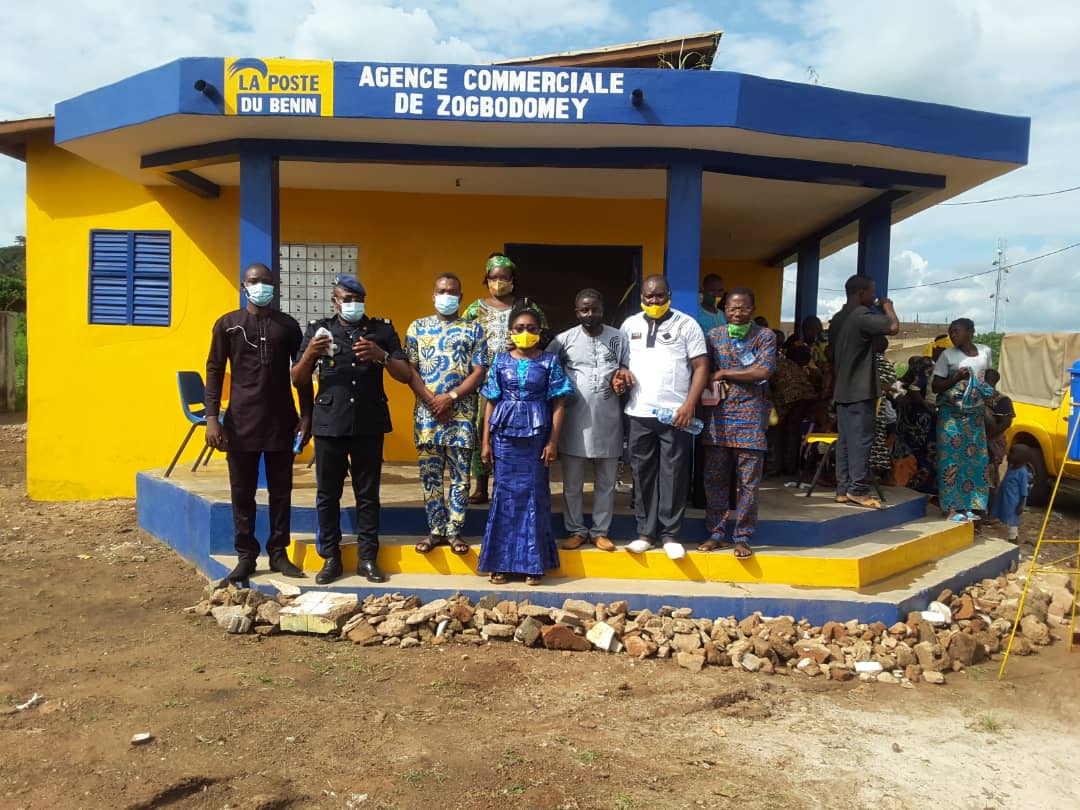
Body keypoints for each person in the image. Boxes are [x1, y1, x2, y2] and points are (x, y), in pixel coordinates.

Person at [291, 273, 412, 584]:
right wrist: (310, 354)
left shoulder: (381, 330)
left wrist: (381, 356)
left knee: (367, 494)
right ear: (335, 301)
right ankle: (330, 557)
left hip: (369, 422)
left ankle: (367, 558)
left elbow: (404, 374)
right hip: (330, 423)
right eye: (348, 300)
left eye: (358, 300)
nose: (353, 305)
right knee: (327, 494)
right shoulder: (320, 330)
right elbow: (297, 378)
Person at [205, 262, 309, 585]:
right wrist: (212, 419)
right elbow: (213, 369)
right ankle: (245, 556)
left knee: (281, 491)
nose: (261, 286)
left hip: (282, 422)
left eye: (266, 281)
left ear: (274, 286)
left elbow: (302, 375)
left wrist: (307, 416)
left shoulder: (288, 326)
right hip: (240, 423)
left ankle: (278, 553)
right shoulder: (228, 325)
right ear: (243, 285)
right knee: (242, 492)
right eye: (255, 281)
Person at [478, 304, 572, 585]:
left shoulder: (550, 362)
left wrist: (553, 441)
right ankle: (501, 563)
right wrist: (485, 442)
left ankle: (533, 564)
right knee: (504, 498)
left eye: (531, 328)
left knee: (534, 497)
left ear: (539, 331)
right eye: (519, 328)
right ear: (511, 331)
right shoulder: (500, 361)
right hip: (504, 439)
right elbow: (490, 401)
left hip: (536, 440)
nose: (525, 333)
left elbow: (559, 403)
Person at [621, 274, 709, 559]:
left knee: (673, 474)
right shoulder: (630, 325)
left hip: (676, 415)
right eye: (649, 297)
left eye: (659, 296)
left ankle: (670, 534)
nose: (654, 301)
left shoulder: (687, 325)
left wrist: (688, 406)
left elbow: (701, 367)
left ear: (669, 295)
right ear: (642, 298)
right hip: (638, 412)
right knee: (642, 474)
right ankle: (645, 533)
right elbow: (622, 364)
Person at [404, 273, 489, 556]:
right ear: (433, 294)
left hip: (461, 415)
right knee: (431, 476)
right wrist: (432, 401)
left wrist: (450, 398)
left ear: (461, 297)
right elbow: (410, 370)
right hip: (428, 417)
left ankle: (454, 531)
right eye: (441, 290)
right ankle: (435, 530)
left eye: (452, 292)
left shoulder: (474, 329)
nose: (446, 295)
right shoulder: (417, 327)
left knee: (460, 477)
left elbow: (479, 371)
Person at [548, 289, 631, 552]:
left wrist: (622, 378)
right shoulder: (563, 340)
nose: (590, 314)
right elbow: (546, 366)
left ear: (602, 309)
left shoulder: (619, 338)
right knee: (572, 483)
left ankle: (600, 532)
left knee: (606, 483)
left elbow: (628, 370)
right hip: (574, 421)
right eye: (584, 310)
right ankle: (575, 530)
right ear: (577, 312)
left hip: (609, 420)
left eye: (594, 309)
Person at [698, 288, 777, 559]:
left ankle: (742, 537)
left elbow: (762, 371)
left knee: (748, 483)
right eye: (732, 308)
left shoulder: (765, 336)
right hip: (717, 420)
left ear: (752, 309)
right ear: (724, 309)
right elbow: (701, 369)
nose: (737, 313)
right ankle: (716, 534)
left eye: (743, 308)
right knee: (715, 481)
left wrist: (723, 372)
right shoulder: (714, 336)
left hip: (751, 419)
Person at [463, 253, 547, 504]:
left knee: (512, 433)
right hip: (482, 380)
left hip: (518, 381)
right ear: (486, 279)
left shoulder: (527, 307)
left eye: (504, 277)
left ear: (512, 280)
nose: (499, 282)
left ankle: (508, 482)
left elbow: (545, 335)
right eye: (493, 277)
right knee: (482, 430)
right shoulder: (474, 309)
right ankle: (481, 485)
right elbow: (463, 337)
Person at [828, 275, 899, 509]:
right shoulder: (861, 315)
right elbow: (893, 328)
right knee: (861, 441)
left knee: (846, 440)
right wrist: (888, 307)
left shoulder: (839, 318)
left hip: (843, 388)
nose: (874, 296)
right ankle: (858, 489)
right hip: (860, 388)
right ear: (860, 293)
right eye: (872, 292)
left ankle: (842, 489)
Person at [931, 318, 994, 519]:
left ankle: (971, 505)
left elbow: (990, 374)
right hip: (952, 416)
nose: (953, 335)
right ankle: (951, 509)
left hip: (974, 416)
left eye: (956, 331)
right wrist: (956, 378)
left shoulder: (985, 351)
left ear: (971, 331)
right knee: (950, 461)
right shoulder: (947, 356)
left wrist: (987, 391)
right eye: (951, 332)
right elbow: (936, 387)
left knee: (975, 460)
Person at [766, 339, 816, 477]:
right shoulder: (786, 362)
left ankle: (776, 468)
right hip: (806, 396)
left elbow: (767, 389)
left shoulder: (767, 364)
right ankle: (789, 468)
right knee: (792, 433)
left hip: (789, 399)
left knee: (777, 432)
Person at [891, 356, 938, 494]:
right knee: (926, 454)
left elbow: (896, 387)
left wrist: (898, 398)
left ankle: (914, 486)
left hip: (911, 419)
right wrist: (928, 408)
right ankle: (924, 489)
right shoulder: (927, 370)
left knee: (917, 454)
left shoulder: (914, 374)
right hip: (923, 419)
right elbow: (913, 389)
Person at [983, 368, 1015, 511]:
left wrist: (988, 437)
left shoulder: (1002, 400)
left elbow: (1006, 423)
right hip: (981, 440)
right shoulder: (979, 396)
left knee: (991, 476)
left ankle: (991, 512)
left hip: (992, 441)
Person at [988, 444, 1032, 542]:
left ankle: (1013, 537)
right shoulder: (1011, 467)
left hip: (1014, 500)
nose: (1008, 455)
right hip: (1005, 497)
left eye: (1011, 453)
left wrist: (1021, 504)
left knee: (1012, 518)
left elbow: (1024, 490)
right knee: (1004, 512)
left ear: (1020, 458)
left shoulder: (1022, 472)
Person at [870, 335, 899, 480]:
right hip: (881, 407)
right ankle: (880, 470)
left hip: (870, 406)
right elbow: (892, 386)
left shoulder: (867, 363)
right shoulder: (887, 364)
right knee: (879, 437)